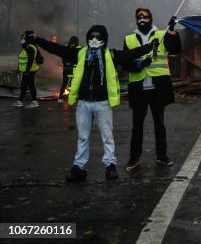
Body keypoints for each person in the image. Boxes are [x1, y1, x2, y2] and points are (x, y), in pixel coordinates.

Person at [33, 25, 155, 182]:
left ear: (104, 39)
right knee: (83, 137)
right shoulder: (80, 53)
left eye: (98, 37)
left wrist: (149, 47)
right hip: (83, 103)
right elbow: (57, 49)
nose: (94, 40)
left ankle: (110, 166)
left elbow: (130, 54)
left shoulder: (111, 55)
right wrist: (37, 40)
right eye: (91, 37)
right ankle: (79, 167)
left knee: (107, 136)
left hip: (103, 103)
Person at [123, 8, 181, 172]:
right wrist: (138, 64)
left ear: (151, 18)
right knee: (137, 125)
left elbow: (176, 50)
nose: (142, 19)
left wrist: (171, 32)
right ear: (136, 19)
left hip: (158, 88)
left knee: (159, 124)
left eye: (145, 16)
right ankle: (134, 157)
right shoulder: (129, 39)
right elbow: (125, 63)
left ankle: (162, 155)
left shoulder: (161, 35)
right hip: (138, 88)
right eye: (139, 16)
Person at [14, 31, 42, 108]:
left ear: (28, 38)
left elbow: (30, 60)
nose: (22, 39)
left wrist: (26, 71)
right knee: (27, 85)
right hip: (29, 70)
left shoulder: (30, 47)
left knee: (26, 85)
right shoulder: (30, 46)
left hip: (30, 70)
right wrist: (20, 69)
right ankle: (21, 101)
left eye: (24, 37)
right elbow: (24, 59)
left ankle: (32, 102)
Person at [58, 36, 79, 104]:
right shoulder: (78, 48)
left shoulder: (66, 47)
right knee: (72, 84)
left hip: (66, 68)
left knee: (64, 83)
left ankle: (60, 98)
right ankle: (71, 98)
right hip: (74, 69)